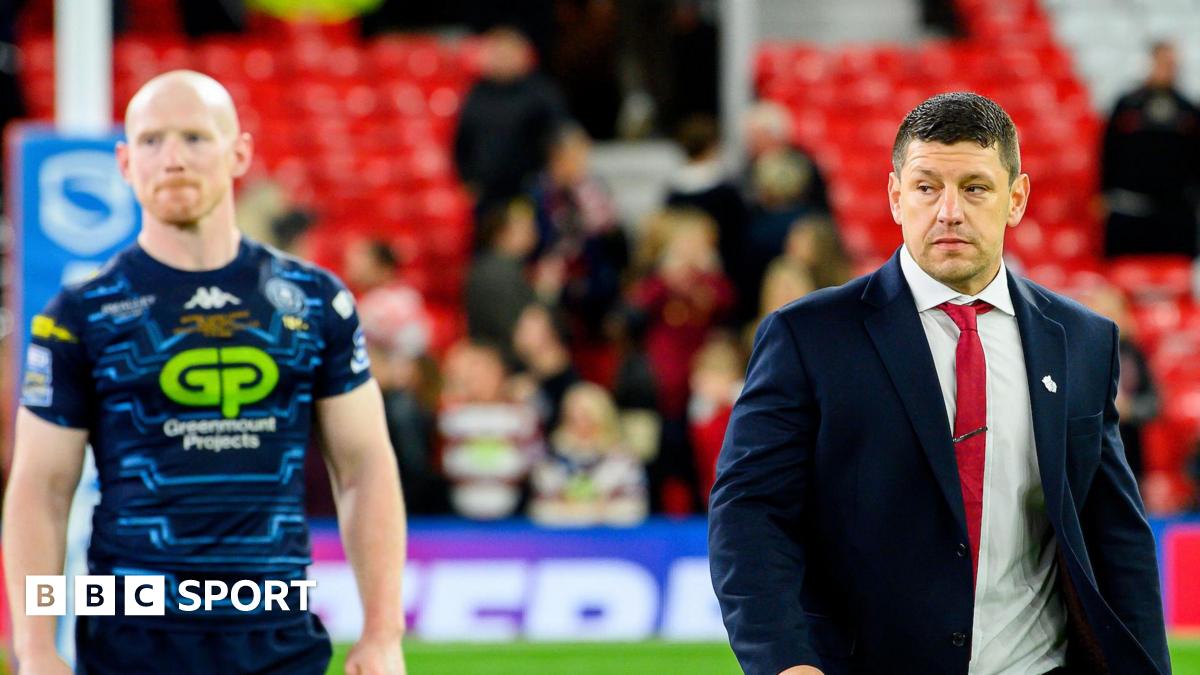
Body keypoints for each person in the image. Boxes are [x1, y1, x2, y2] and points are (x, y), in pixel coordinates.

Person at [709, 92, 1170, 675]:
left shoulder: (1081, 342)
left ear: (1017, 199)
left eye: (975, 187)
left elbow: (1115, 533)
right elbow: (749, 512)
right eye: (927, 187)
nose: (949, 210)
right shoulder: (808, 336)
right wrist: (784, 662)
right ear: (895, 197)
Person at [3, 71, 407, 675]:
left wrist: (383, 632)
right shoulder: (77, 315)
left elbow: (365, 465)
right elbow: (40, 488)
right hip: (127, 636)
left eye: (194, 137)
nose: (172, 159)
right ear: (123, 162)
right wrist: (34, 648)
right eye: (151, 141)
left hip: (277, 626)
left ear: (238, 151)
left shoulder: (316, 299)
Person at [453, 25, 567, 216]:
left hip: (532, 189)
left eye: (508, 53)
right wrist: (467, 180)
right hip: (487, 192)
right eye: (497, 53)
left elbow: (559, 136)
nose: (503, 59)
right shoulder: (475, 94)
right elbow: (462, 142)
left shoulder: (542, 94)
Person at [1101, 41, 1200, 258]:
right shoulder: (1127, 105)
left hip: (1175, 214)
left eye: (1172, 64)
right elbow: (1108, 151)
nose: (1168, 68)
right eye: (1163, 62)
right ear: (1150, 62)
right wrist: (1103, 193)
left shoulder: (1189, 111)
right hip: (1130, 211)